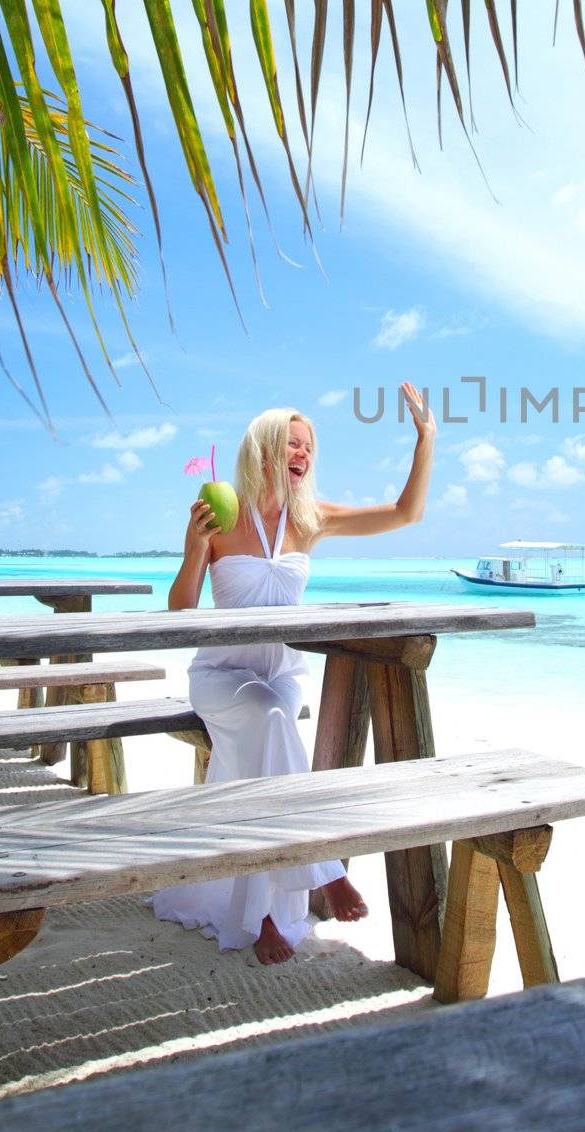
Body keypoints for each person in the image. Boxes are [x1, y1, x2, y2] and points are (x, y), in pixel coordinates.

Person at [152, 384, 436, 964]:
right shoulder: (221, 513)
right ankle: (320, 871)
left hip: (282, 674)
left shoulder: (311, 519)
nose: (302, 454)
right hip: (220, 676)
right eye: (291, 444)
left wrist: (425, 440)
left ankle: (259, 913)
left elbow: (407, 513)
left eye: (308, 446)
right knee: (269, 718)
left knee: (267, 727)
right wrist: (192, 550)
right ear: (263, 449)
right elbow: (180, 612)